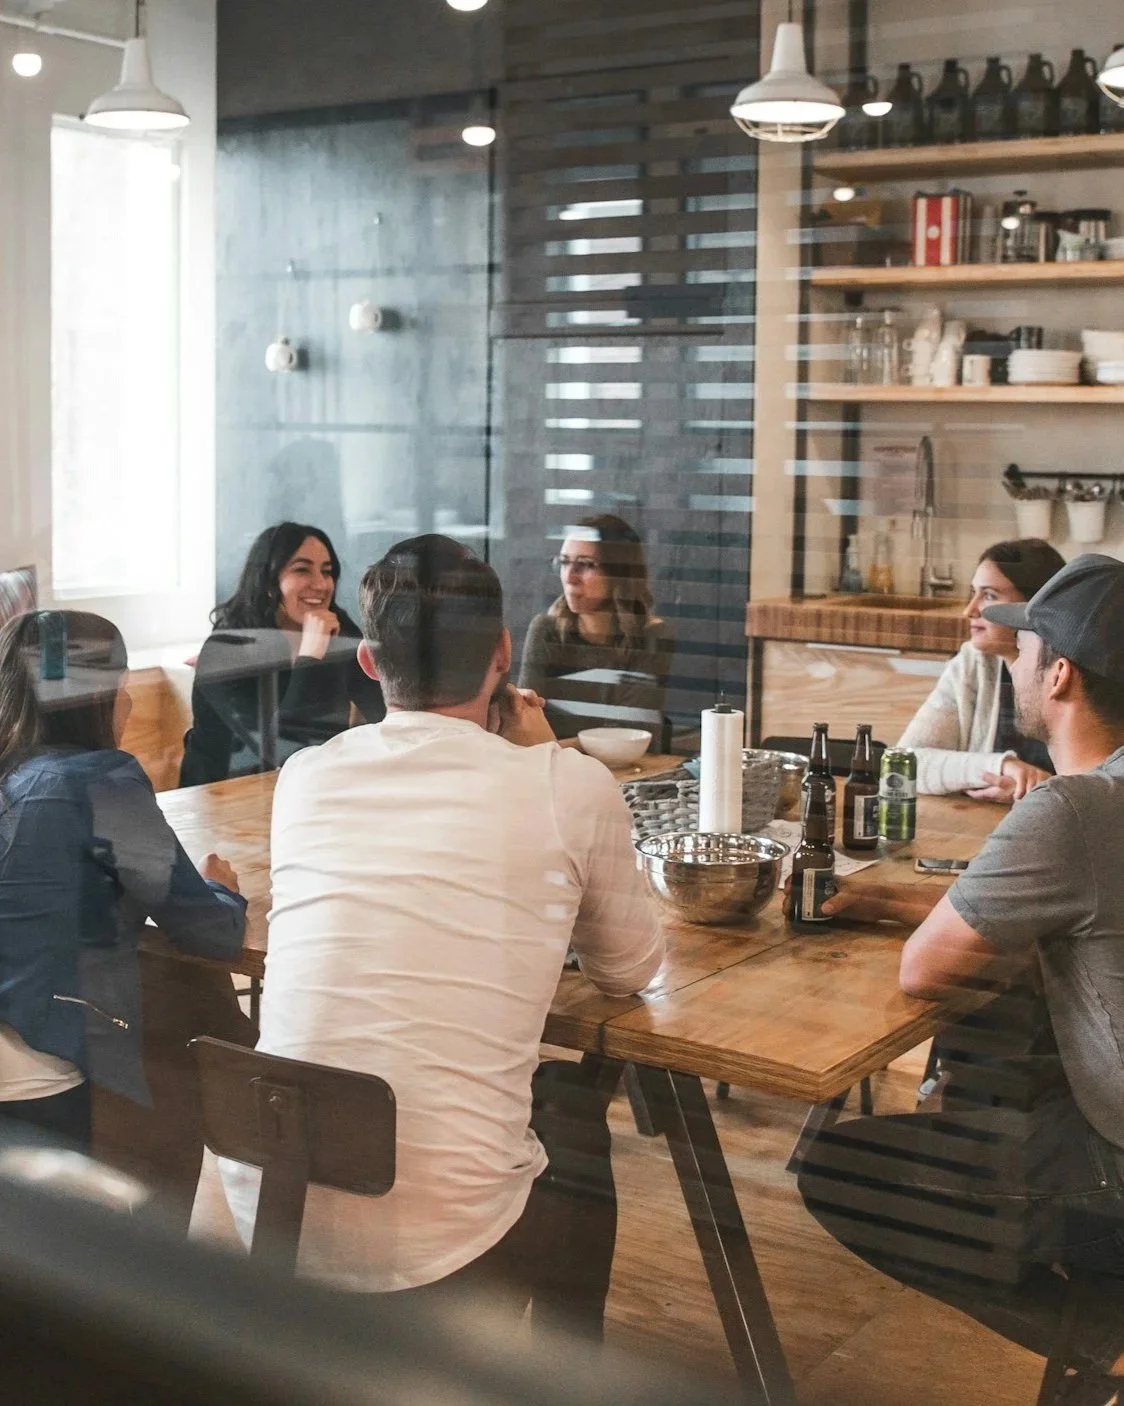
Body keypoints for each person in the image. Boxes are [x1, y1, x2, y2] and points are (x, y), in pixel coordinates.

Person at [220, 534, 663, 1333]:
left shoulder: (307, 778)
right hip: (444, 1242)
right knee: (573, 1118)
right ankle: (571, 1373)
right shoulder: (567, 783)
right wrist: (547, 757)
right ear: (503, 654)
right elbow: (630, 969)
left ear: (367, 661)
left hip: (270, 1204)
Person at [796, 553, 1124, 1402]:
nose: (1005, 655)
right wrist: (878, 906)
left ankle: (1099, 1335)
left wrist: (898, 919)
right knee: (995, 1051)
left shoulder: (1074, 809)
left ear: (1059, 674)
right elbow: (1020, 921)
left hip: (1113, 1164)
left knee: (844, 1174)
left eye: (1024, 645)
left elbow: (927, 968)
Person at [0, 611, 246, 1153]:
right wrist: (223, 888)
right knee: (182, 1026)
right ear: (99, 695)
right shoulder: (98, 781)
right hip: (39, 1074)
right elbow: (211, 933)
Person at [180, 523, 385, 786]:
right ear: (268, 582)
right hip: (223, 796)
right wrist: (312, 656)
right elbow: (281, 750)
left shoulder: (337, 628)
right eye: (302, 570)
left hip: (309, 787)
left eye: (327, 572)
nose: (321, 584)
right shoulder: (226, 648)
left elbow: (384, 710)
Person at [899, 538, 1065, 801]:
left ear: (1034, 606)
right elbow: (904, 764)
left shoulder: (1077, 673)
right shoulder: (972, 663)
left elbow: (1106, 784)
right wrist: (1001, 767)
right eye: (973, 593)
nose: (969, 610)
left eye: (988, 595)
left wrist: (1037, 790)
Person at [518, 515, 674, 743]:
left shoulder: (652, 636)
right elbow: (524, 723)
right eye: (564, 562)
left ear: (619, 574)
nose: (570, 577)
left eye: (586, 565)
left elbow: (632, 735)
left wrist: (553, 746)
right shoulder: (547, 630)